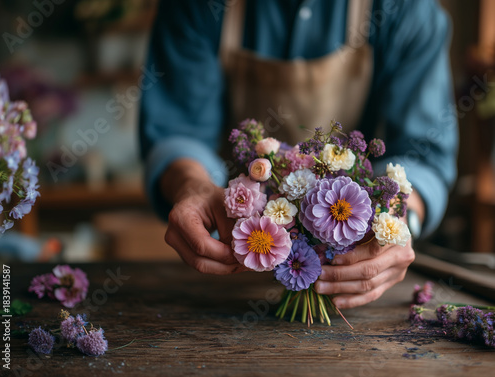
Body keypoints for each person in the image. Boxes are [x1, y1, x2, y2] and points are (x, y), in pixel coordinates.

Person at [139, 0, 458, 309]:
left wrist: (398, 222)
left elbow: (424, 153)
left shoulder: (404, 7)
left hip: (350, 270)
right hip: (228, 263)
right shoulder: (197, 6)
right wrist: (193, 186)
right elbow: (177, 131)